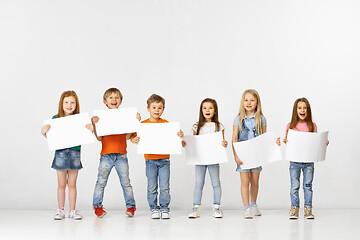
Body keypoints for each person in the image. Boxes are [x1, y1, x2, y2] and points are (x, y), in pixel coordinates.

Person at [41, 90, 93, 220]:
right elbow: (52, 138)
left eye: (72, 102)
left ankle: (73, 211)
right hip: (61, 153)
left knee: (72, 184)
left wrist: (91, 130)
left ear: (76, 104)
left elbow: (86, 135)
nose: (69, 105)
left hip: (75, 153)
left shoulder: (79, 119)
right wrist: (44, 132)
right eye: (66, 102)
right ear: (61, 103)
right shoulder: (55, 119)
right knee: (61, 184)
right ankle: (60, 210)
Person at [131, 94, 184, 219]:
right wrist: (135, 140)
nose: (157, 110)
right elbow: (133, 137)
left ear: (163, 109)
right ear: (148, 109)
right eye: (154, 107)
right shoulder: (142, 124)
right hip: (150, 161)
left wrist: (180, 134)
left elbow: (175, 138)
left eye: (160, 108)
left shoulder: (166, 123)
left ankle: (164, 208)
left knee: (165, 187)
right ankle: (154, 208)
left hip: (165, 160)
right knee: (152, 187)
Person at [276, 97, 329, 219]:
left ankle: (308, 209)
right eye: (299, 108)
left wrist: (323, 143)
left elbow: (315, 142)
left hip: (308, 162)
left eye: (305, 108)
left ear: (308, 110)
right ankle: (294, 209)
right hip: (295, 161)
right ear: (295, 110)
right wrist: (284, 141)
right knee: (294, 186)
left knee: (308, 186)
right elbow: (288, 141)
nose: (302, 110)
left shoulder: (312, 125)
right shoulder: (290, 125)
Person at [91, 88, 138, 218]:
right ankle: (97, 206)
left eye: (117, 98)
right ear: (105, 101)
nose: (114, 100)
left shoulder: (125, 117)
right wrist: (94, 125)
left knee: (125, 182)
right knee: (101, 182)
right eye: (111, 98)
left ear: (121, 101)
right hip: (106, 155)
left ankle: (131, 206)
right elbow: (99, 138)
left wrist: (134, 122)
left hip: (121, 155)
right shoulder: (101, 118)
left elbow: (128, 136)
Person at [184, 98, 228, 218]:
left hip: (213, 159)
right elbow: (193, 142)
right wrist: (185, 144)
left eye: (210, 108)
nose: (207, 110)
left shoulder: (219, 126)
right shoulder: (196, 126)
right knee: (199, 183)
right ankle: (196, 207)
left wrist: (224, 144)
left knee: (216, 183)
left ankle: (216, 207)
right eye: (204, 108)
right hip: (200, 159)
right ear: (201, 110)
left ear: (215, 111)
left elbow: (222, 142)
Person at [232, 89, 266, 219]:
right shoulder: (238, 119)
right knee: (245, 181)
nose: (249, 102)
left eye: (252, 100)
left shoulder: (261, 119)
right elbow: (234, 138)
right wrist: (236, 155)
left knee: (255, 181)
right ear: (242, 102)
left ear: (257, 102)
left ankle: (253, 204)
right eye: (246, 100)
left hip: (256, 155)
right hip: (243, 155)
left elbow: (264, 138)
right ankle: (246, 208)